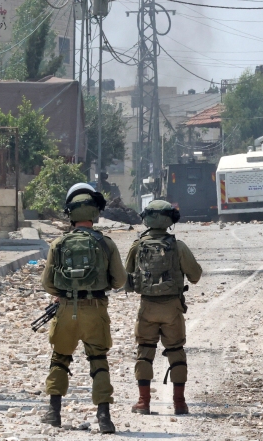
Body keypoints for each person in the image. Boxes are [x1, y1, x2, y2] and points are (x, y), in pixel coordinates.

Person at [40, 183, 126, 434]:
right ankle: (104, 417)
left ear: (70, 214)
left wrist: (64, 294)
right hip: (95, 310)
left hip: (66, 309)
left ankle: (53, 413)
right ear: (95, 213)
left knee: (60, 358)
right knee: (98, 360)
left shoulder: (58, 243)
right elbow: (119, 281)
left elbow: (47, 283)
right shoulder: (106, 243)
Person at [125, 200, 203, 416]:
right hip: (172, 308)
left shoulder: (137, 245)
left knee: (144, 351)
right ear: (170, 220)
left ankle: (143, 402)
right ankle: (180, 403)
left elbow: (126, 280)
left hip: (147, 307)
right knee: (176, 351)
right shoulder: (179, 246)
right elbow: (195, 276)